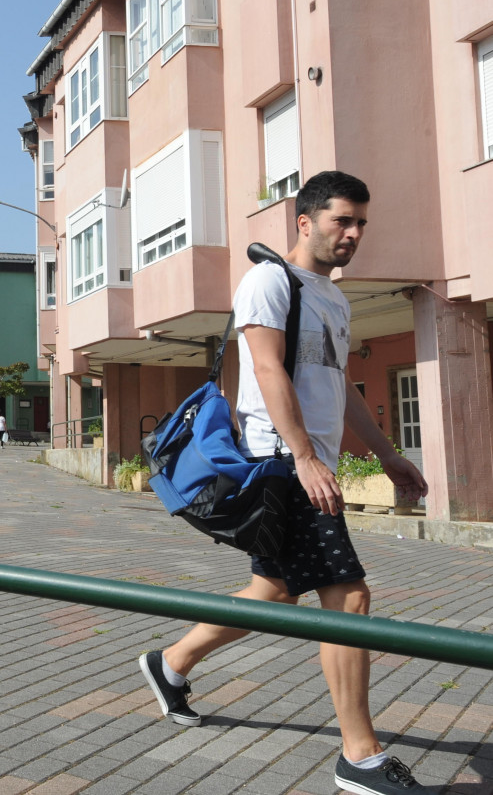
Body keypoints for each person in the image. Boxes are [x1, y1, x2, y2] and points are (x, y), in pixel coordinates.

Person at [138, 171, 429, 795]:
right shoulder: (270, 281)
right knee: (348, 598)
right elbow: (265, 366)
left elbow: (340, 386)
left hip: (306, 462)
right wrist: (303, 456)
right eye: (341, 221)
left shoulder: (334, 297)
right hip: (281, 463)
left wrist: (387, 456)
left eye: (360, 225)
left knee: (275, 588)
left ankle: (171, 664)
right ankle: (361, 758)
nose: (353, 234)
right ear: (305, 220)